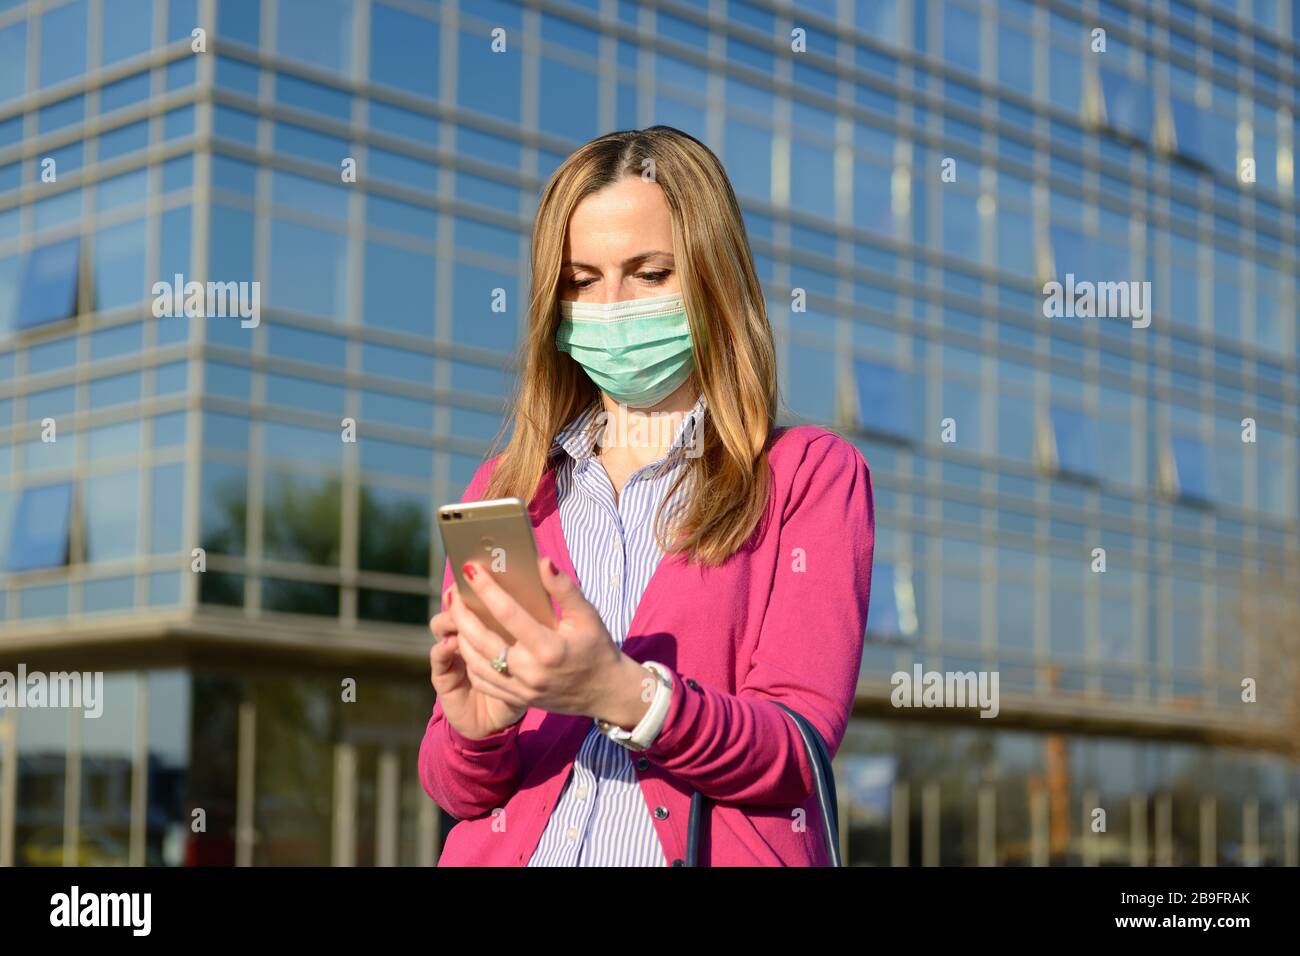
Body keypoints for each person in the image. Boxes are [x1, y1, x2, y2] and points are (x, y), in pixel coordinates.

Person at [419, 125, 874, 866]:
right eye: (582, 280)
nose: (614, 306)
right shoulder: (506, 490)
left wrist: (622, 693)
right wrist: (478, 728)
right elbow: (457, 790)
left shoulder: (810, 476)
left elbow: (795, 749)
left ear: (713, 279)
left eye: (651, 273)